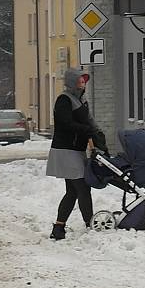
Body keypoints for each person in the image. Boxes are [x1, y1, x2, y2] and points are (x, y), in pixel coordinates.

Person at [45, 68, 101, 240]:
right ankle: (90, 225)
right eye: (79, 81)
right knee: (82, 188)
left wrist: (97, 133)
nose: (82, 84)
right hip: (65, 149)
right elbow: (66, 123)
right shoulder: (64, 100)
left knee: (72, 191)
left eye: (84, 81)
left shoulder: (81, 100)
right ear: (71, 83)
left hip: (75, 149)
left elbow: (88, 120)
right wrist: (86, 130)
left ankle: (59, 227)